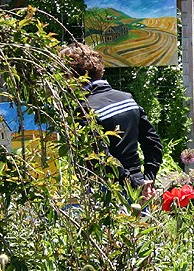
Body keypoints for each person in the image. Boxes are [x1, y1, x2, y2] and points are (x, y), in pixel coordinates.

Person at [64, 44, 164, 195]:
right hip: (140, 184)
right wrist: (148, 180)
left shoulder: (85, 109)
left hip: (109, 190)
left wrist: (132, 184)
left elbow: (101, 157)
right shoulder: (127, 98)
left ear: (72, 77)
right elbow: (153, 143)